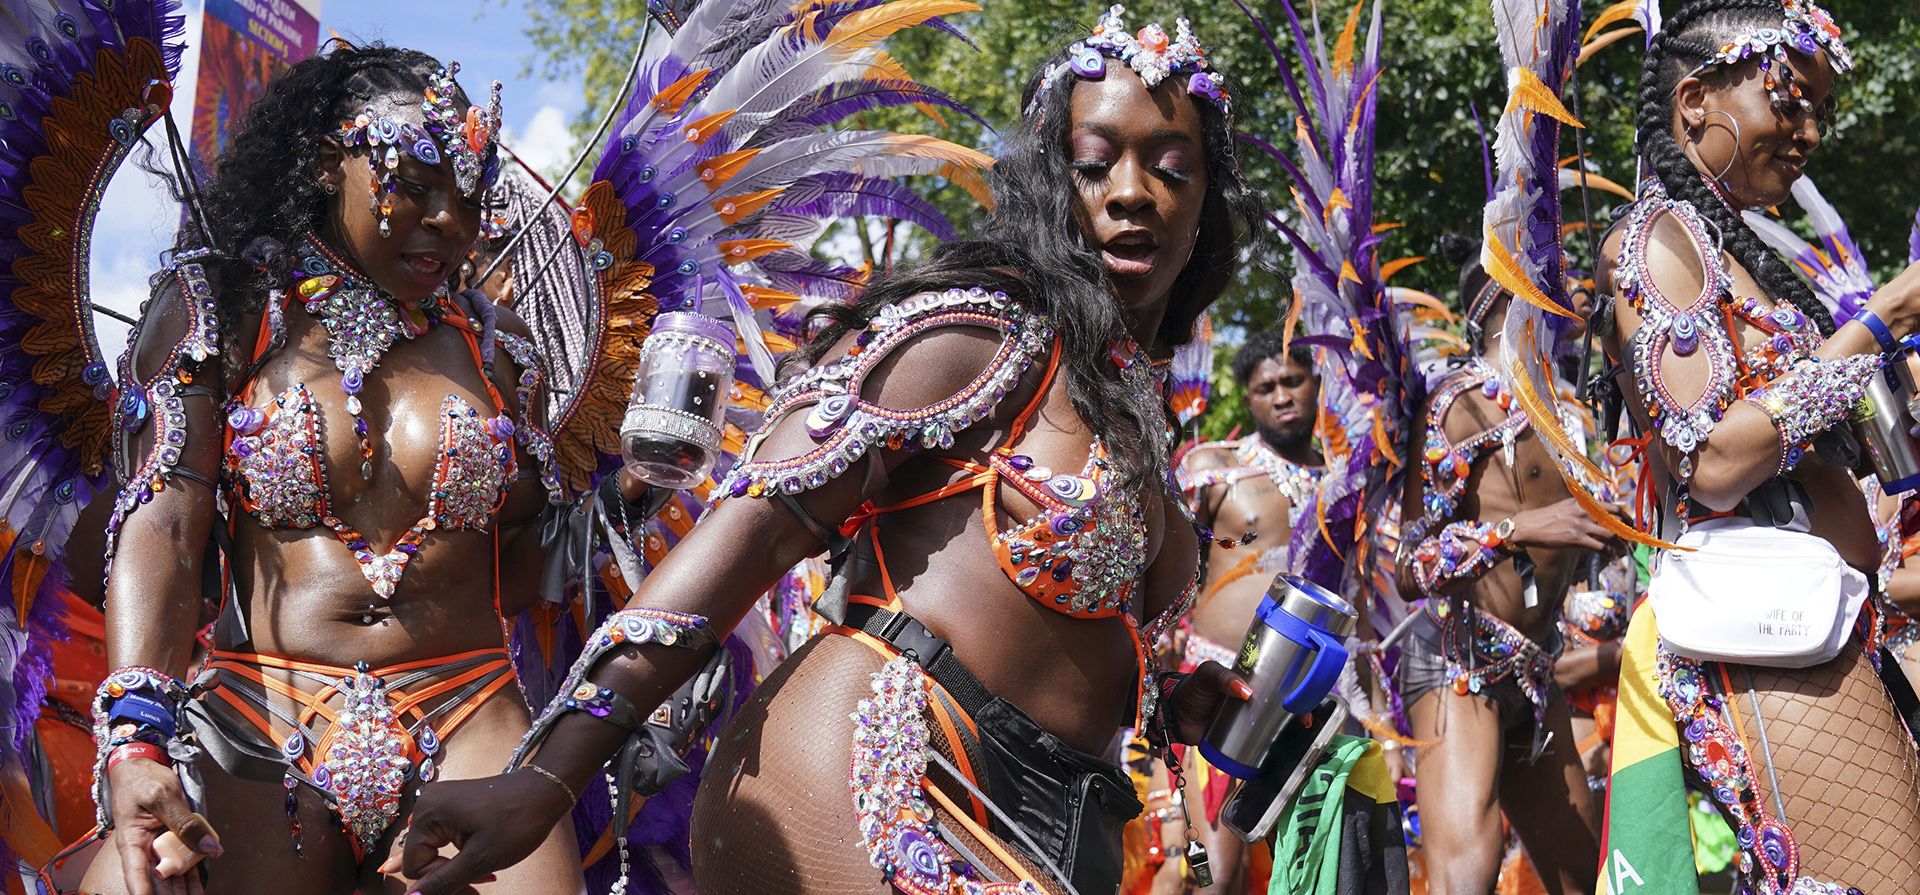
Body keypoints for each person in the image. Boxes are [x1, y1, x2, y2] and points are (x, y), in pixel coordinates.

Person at [390, 7, 1263, 895]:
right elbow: (748, 537)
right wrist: (546, 778)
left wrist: (1166, 700)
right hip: (886, 769)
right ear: (1050, 179)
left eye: (1172, 168)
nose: (1130, 192)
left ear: (1203, 204)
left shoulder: (1138, 408)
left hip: (1053, 819)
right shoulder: (984, 336)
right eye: (1093, 163)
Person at [80, 45, 589, 894]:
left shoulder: (505, 350)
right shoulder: (226, 313)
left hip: (469, 709)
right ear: (328, 162)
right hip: (257, 716)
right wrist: (135, 736)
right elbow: (165, 523)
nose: (446, 222)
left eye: (469, 197)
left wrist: (632, 501)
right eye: (416, 184)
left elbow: (528, 562)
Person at [1597, 0, 1920, 890]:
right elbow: (1714, 463)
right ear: (1695, 99)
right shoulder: (1654, 241)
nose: (1809, 130)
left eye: (1821, 110)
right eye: (1789, 99)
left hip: (1830, 628)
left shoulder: (1734, 254)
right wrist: (1880, 319)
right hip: (1769, 644)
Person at [1393, 238, 1617, 895]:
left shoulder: (1569, 412)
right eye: (1558, 282)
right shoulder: (1460, 404)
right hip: (1457, 660)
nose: (1576, 296)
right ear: (1510, 302)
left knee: (1579, 879)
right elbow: (1411, 566)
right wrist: (1522, 527)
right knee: (1467, 878)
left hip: (1535, 667)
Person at [1168, 330, 1322, 894]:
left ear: (1315, 385)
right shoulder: (1213, 468)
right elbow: (1158, 562)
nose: (1281, 395)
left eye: (1292, 381)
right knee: (1217, 869)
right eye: (1266, 387)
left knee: (1303, 862)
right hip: (1221, 683)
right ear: (1249, 399)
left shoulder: (1342, 483)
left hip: (1312, 697)